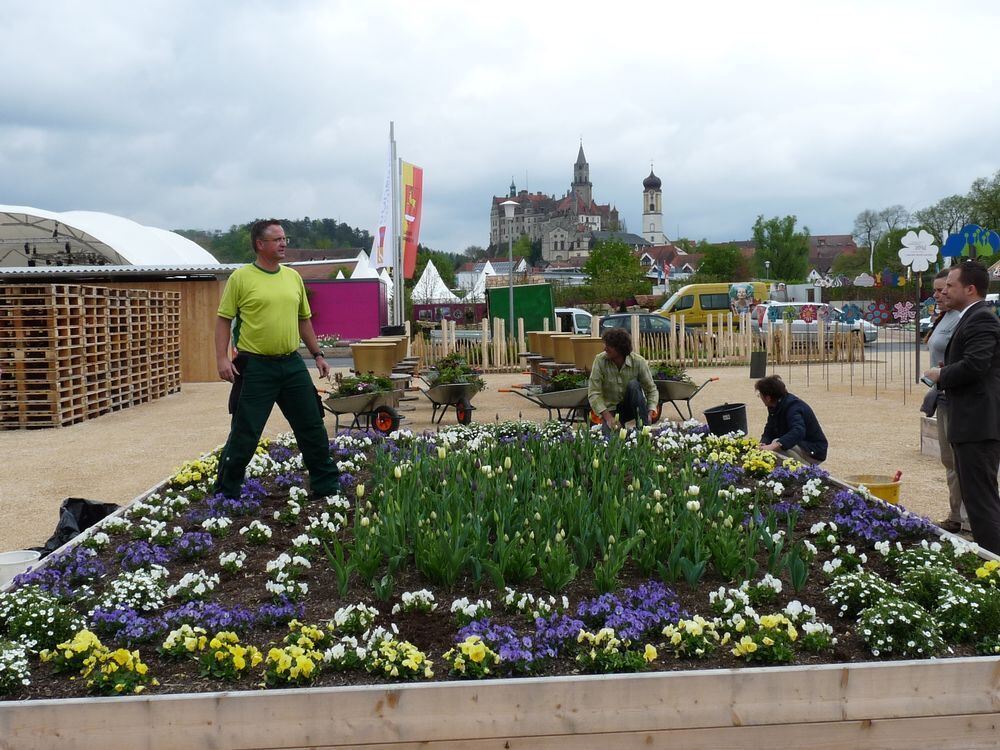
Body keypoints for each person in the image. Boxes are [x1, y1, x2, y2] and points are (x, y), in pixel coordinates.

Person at [213, 219, 340, 500]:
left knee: (312, 426)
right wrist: (222, 358)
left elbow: (304, 320)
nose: (284, 244)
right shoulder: (241, 278)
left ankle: (326, 486)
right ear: (260, 244)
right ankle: (226, 494)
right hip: (255, 366)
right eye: (278, 239)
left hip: (292, 364)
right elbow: (223, 320)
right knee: (245, 432)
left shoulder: (292, 277)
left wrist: (318, 354)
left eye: (285, 239)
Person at [924, 260, 1000, 554]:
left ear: (970, 289)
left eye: (950, 285)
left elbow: (976, 365)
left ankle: (991, 562)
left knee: (981, 500)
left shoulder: (981, 319)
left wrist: (941, 374)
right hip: (970, 422)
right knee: (977, 496)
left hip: (977, 423)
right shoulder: (970, 317)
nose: (944, 291)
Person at [920, 269, 969, 534]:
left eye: (944, 289)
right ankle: (956, 515)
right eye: (937, 290)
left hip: (958, 397)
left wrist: (943, 374)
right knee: (949, 461)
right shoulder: (944, 317)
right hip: (943, 396)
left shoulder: (963, 319)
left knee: (964, 461)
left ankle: (969, 520)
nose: (939, 294)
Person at [588, 328, 657, 435]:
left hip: (632, 407)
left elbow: (651, 390)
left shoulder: (638, 362)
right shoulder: (600, 361)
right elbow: (594, 392)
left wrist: (650, 412)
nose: (605, 348)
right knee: (610, 438)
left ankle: (644, 430)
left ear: (620, 348)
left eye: (609, 346)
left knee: (634, 385)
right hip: (611, 409)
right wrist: (608, 418)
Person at [756, 374, 828, 465]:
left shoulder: (793, 407)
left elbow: (798, 431)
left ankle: (806, 469)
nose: (760, 397)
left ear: (768, 398)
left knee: (776, 446)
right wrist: (764, 443)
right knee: (774, 445)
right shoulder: (774, 406)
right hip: (801, 445)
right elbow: (769, 429)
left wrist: (774, 445)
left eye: (760, 395)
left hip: (813, 449)